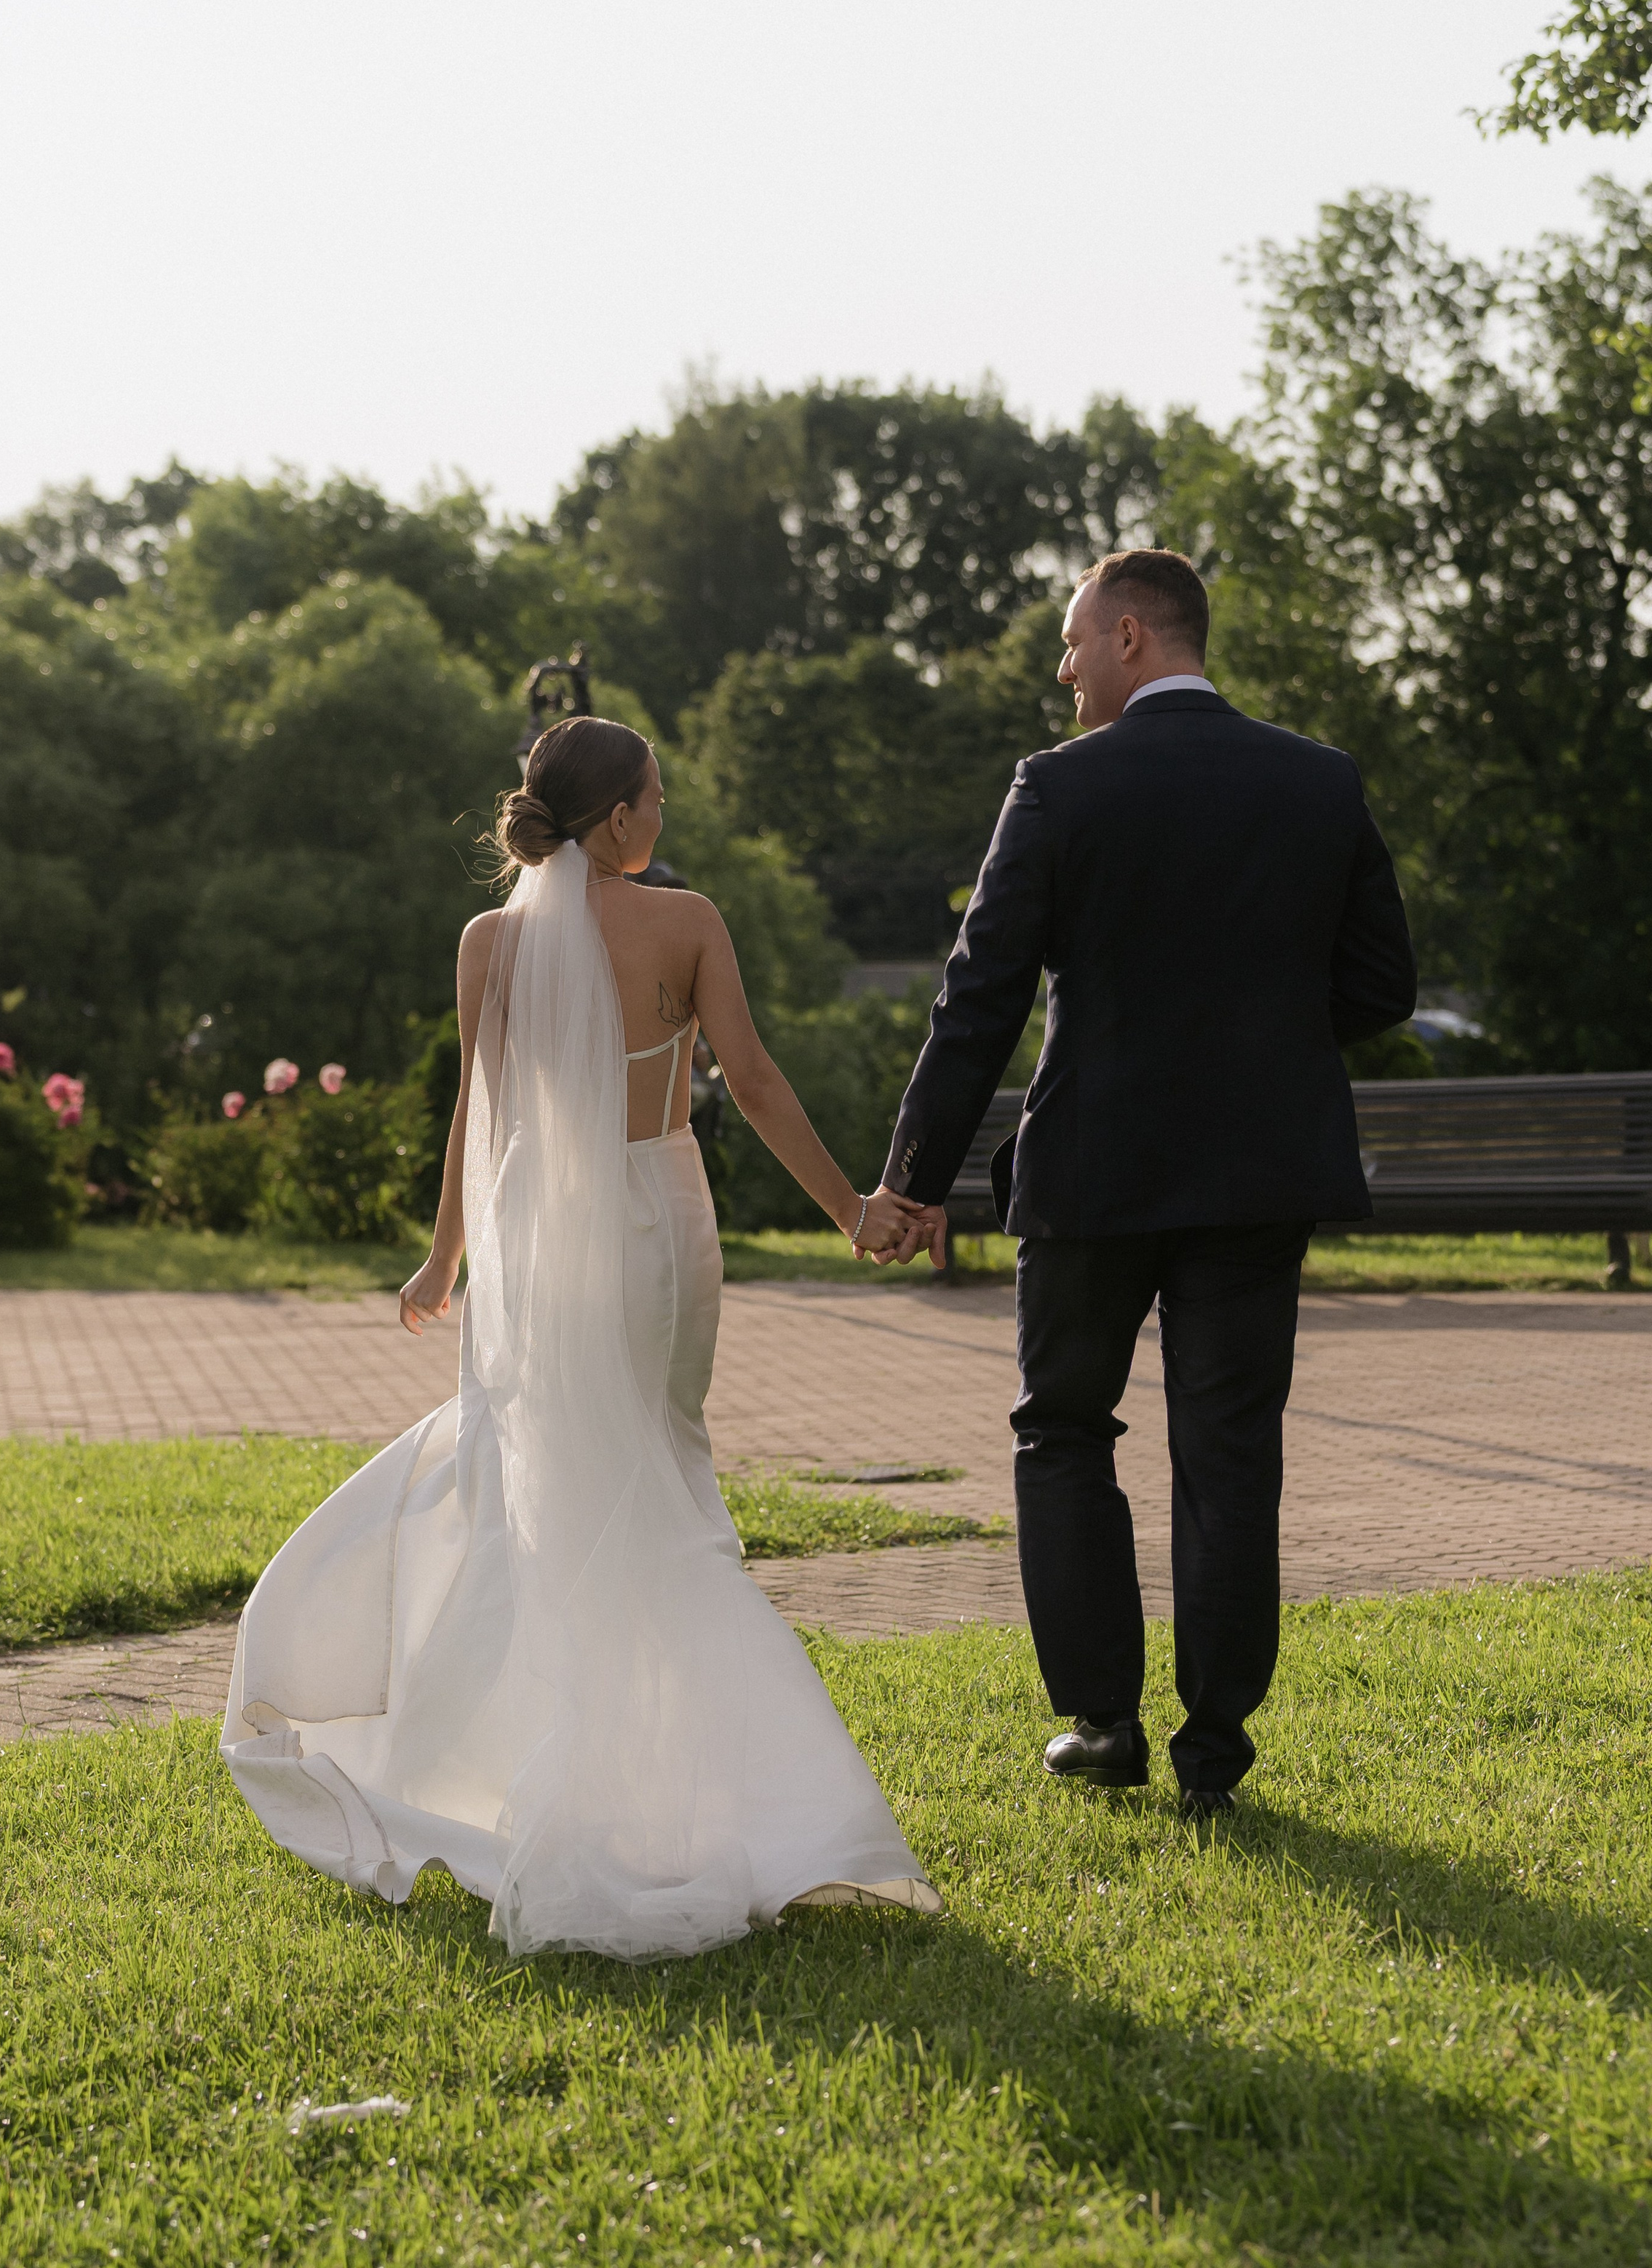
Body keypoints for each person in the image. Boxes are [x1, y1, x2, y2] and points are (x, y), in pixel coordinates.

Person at [222, 716, 940, 1959]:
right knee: (663, 1477)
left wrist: (447, 1250)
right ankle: (708, 1801)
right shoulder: (686, 922)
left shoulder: (488, 939)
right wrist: (851, 1211)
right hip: (657, 1219)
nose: (665, 813)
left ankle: (566, 1778)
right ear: (618, 820)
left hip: (532, 1236)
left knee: (554, 1488)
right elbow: (755, 1082)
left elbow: (478, 1107)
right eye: (655, 795)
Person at [871, 550, 1417, 1815]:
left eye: (1069, 645)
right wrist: (1261, 1045)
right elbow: (1382, 983)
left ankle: (1103, 1721)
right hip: (1258, 1172)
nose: (1061, 672)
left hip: (1094, 1172)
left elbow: (981, 997)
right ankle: (1216, 1747)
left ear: (1128, 635)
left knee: (1064, 1427)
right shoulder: (1319, 780)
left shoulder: (1059, 790)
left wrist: (914, 1178)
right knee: (1232, 1453)